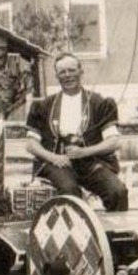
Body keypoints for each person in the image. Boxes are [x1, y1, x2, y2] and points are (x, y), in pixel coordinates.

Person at [25, 52, 128, 212]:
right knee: (70, 192)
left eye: (72, 70)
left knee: (117, 191)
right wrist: (54, 157)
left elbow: (113, 142)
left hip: (91, 163)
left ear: (81, 71)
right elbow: (31, 145)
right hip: (57, 163)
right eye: (62, 72)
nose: (67, 76)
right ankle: (76, 234)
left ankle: (117, 234)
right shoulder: (44, 106)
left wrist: (85, 152)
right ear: (57, 76)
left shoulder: (99, 103)